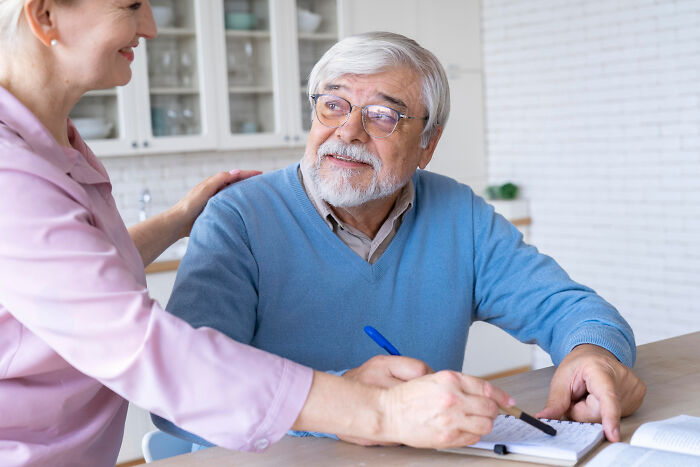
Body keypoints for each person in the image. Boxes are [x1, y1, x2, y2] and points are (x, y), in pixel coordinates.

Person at [0, 3, 520, 466]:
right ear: (45, 16)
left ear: (427, 144)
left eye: (382, 115)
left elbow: (73, 278)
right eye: (132, 4)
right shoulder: (11, 169)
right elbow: (142, 345)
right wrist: (375, 411)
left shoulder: (56, 147)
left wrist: (178, 219)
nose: (152, 26)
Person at [156, 31, 647, 447]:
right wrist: (344, 405)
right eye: (333, 105)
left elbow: (572, 308)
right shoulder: (240, 216)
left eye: (383, 116)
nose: (348, 131)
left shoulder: (460, 214)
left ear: (427, 145)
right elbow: (178, 397)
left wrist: (593, 354)